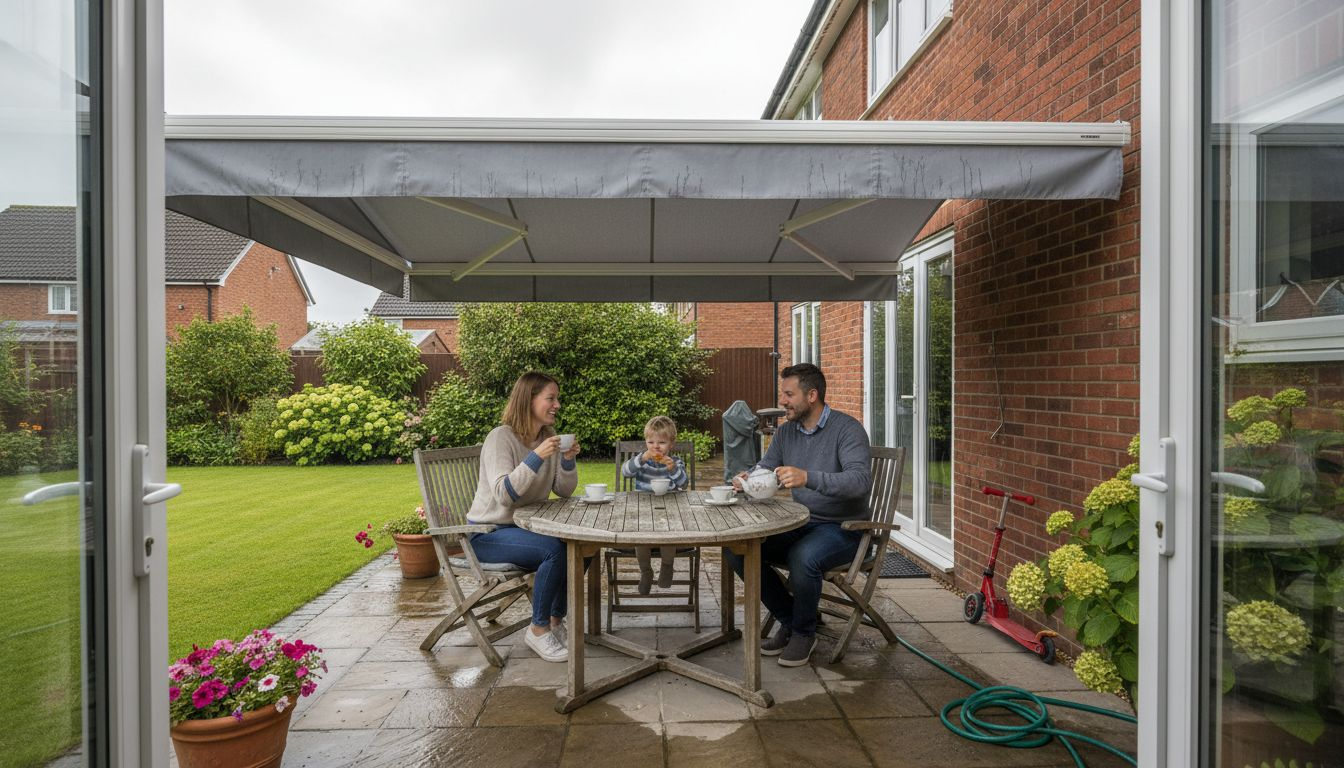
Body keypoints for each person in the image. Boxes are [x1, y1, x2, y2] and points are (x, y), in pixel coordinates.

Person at [728, 363, 871, 667]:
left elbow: (859, 482)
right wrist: (747, 478)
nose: (783, 400)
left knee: (803, 557)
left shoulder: (847, 429)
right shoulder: (787, 432)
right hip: (800, 521)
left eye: (789, 394)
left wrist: (809, 477)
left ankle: (804, 633)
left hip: (845, 528)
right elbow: (765, 467)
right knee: (737, 548)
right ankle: (792, 620)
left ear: (812, 395)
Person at [466, 371, 581, 663]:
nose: (557, 405)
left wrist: (567, 461)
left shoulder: (547, 438)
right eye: (550, 398)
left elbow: (564, 491)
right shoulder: (500, 438)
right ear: (528, 400)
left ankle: (555, 621)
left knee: (581, 545)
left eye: (557, 399)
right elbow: (504, 494)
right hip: (488, 534)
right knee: (554, 551)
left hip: (524, 529)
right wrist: (536, 456)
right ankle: (538, 629)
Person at [620, 415, 691, 593]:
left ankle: (667, 565)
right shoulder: (642, 462)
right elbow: (625, 472)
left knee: (669, 534)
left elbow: (683, 484)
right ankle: (646, 571)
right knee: (640, 538)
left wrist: (672, 468)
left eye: (661, 442)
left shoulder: (675, 463)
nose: (656, 447)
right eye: (651, 442)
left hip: (669, 511)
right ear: (646, 443)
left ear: (671, 444)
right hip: (643, 512)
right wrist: (641, 459)